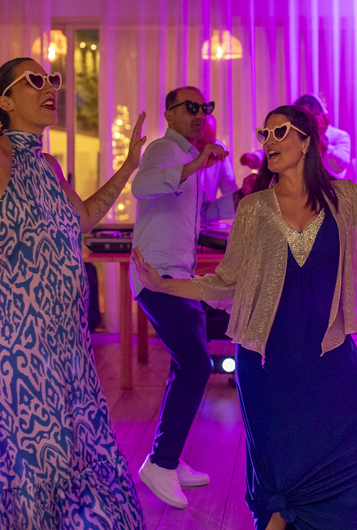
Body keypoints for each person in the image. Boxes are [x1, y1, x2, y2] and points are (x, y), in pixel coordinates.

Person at [133, 105, 357, 530]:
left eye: (279, 132)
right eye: (264, 133)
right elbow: (227, 283)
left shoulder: (345, 199)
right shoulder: (254, 209)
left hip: (329, 354)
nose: (268, 141)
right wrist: (163, 285)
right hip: (267, 363)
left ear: (306, 142)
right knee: (281, 475)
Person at [0, 57, 145, 528]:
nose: (50, 87)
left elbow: (84, 217)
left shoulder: (47, 164)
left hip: (65, 348)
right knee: (30, 474)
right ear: (5, 100)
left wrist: (128, 166)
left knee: (82, 460)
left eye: (53, 80)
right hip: (9, 349)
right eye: (34, 80)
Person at [129, 86, 255, 509]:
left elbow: (201, 215)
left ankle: (167, 455)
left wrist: (240, 197)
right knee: (197, 364)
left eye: (205, 107)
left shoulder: (188, 158)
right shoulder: (164, 150)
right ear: (169, 114)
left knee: (185, 365)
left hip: (179, 278)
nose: (200, 113)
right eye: (191, 107)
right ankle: (160, 462)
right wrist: (196, 164)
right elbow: (141, 187)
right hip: (156, 276)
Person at [240, 94, 351, 179]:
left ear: (321, 117)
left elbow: (339, 166)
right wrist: (254, 159)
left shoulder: (340, 136)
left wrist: (319, 137)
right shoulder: (296, 134)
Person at [196, 113, 239, 203]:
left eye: (211, 142)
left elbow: (230, 189)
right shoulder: (178, 153)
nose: (207, 149)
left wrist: (244, 193)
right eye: (201, 143)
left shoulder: (219, 149)